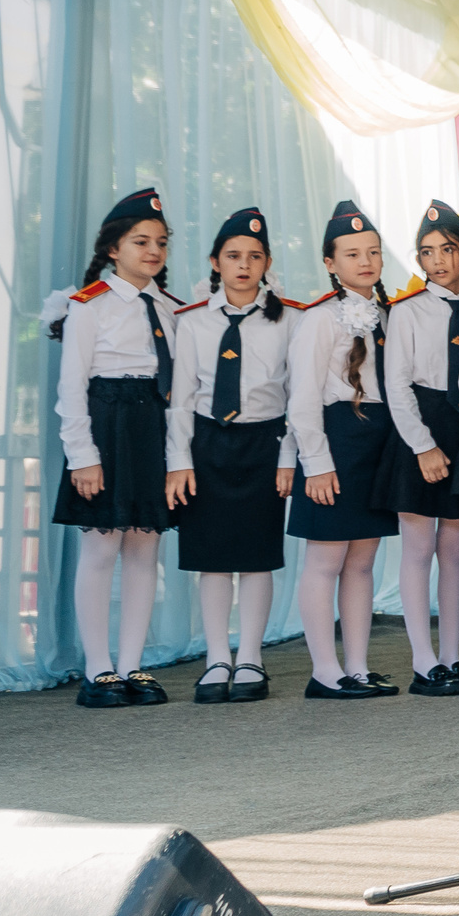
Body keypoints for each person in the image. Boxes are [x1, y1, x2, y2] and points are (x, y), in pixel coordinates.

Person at [50, 188, 182, 709]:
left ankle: (132, 665)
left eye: (161, 243)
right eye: (141, 241)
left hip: (151, 425)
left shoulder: (170, 308)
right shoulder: (88, 306)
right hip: (106, 422)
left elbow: (179, 387)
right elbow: (71, 387)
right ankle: (98, 669)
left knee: (145, 545)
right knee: (103, 545)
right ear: (113, 248)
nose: (153, 251)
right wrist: (82, 454)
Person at [166, 207, 295, 706]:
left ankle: (250, 656)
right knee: (214, 559)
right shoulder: (192, 321)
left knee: (257, 557)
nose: (244, 265)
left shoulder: (288, 319)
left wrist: (289, 457)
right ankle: (216, 656)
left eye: (255, 256)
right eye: (233, 256)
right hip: (207, 443)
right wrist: (178, 459)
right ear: (215, 262)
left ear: (266, 264)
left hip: (264, 444)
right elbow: (180, 397)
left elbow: (294, 393)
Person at [286, 200, 399, 701]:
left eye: (373, 251)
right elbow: (303, 397)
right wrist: (315, 464)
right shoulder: (319, 320)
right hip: (335, 440)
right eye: (352, 253)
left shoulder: (390, 312)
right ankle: (324, 670)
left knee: (361, 562)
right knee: (326, 561)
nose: (366, 261)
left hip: (375, 441)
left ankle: (356, 665)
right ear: (330, 263)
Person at [375, 200, 459, 697]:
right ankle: (422, 660)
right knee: (418, 547)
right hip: (421, 425)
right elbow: (396, 386)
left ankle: (453, 657)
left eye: (448, 250)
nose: (438, 260)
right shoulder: (407, 311)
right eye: (427, 252)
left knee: (456, 549)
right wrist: (422, 446)